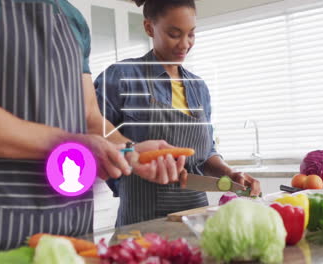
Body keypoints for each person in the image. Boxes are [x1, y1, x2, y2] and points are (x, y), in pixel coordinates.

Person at [0, 0, 185, 257]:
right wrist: (66, 143)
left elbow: (90, 116)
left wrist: (131, 151)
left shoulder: (73, 19)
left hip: (72, 219)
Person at [95, 0, 261, 227]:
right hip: (142, 223)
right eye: (174, 34)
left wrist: (228, 173)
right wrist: (132, 152)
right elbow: (94, 134)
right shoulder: (121, 76)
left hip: (196, 220)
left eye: (191, 34)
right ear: (149, 28)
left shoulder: (198, 87)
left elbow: (206, 153)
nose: (185, 44)